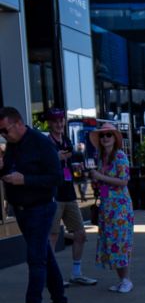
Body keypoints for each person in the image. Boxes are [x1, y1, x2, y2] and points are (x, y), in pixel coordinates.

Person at [0, 105, 68, 303]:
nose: (3, 135)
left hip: (40, 208)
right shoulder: (12, 145)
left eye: (5, 130)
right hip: (21, 209)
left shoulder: (41, 143)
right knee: (43, 255)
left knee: (36, 258)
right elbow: (9, 170)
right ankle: (59, 299)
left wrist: (25, 180)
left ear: (18, 124)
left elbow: (56, 178)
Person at [45, 107, 97, 287]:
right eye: (55, 121)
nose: (59, 124)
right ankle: (50, 277)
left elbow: (67, 164)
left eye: (61, 121)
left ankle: (76, 273)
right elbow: (41, 167)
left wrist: (75, 167)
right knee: (52, 236)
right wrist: (55, 158)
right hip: (53, 195)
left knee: (80, 234)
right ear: (50, 123)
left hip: (68, 193)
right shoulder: (47, 143)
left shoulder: (66, 140)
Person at [89, 123, 134, 293]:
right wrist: (96, 180)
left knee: (120, 242)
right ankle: (122, 279)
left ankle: (126, 279)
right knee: (111, 242)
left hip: (119, 207)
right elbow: (105, 181)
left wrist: (100, 176)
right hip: (107, 205)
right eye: (102, 135)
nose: (105, 138)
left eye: (108, 135)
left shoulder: (119, 156)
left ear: (114, 138)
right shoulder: (101, 158)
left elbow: (123, 181)